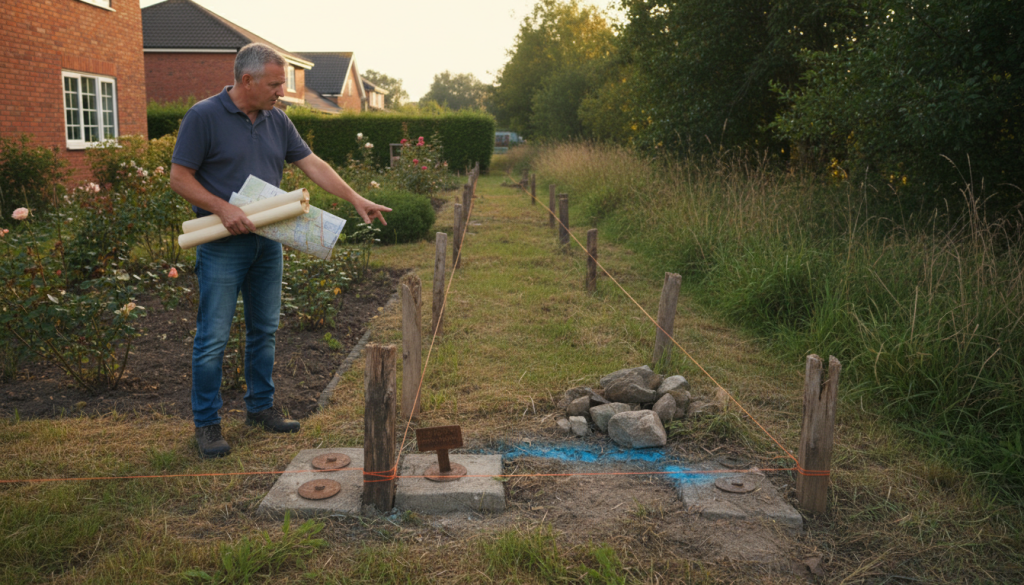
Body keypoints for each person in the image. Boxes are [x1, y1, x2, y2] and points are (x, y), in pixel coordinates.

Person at [170, 43, 390, 459]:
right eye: (274, 84)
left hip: (269, 241)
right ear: (247, 80)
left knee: (265, 330)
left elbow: (313, 164)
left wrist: (356, 198)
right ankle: (207, 424)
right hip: (220, 244)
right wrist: (222, 207)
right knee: (213, 337)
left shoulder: (278, 120)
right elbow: (179, 178)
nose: (281, 93)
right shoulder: (204, 116)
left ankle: (260, 409)